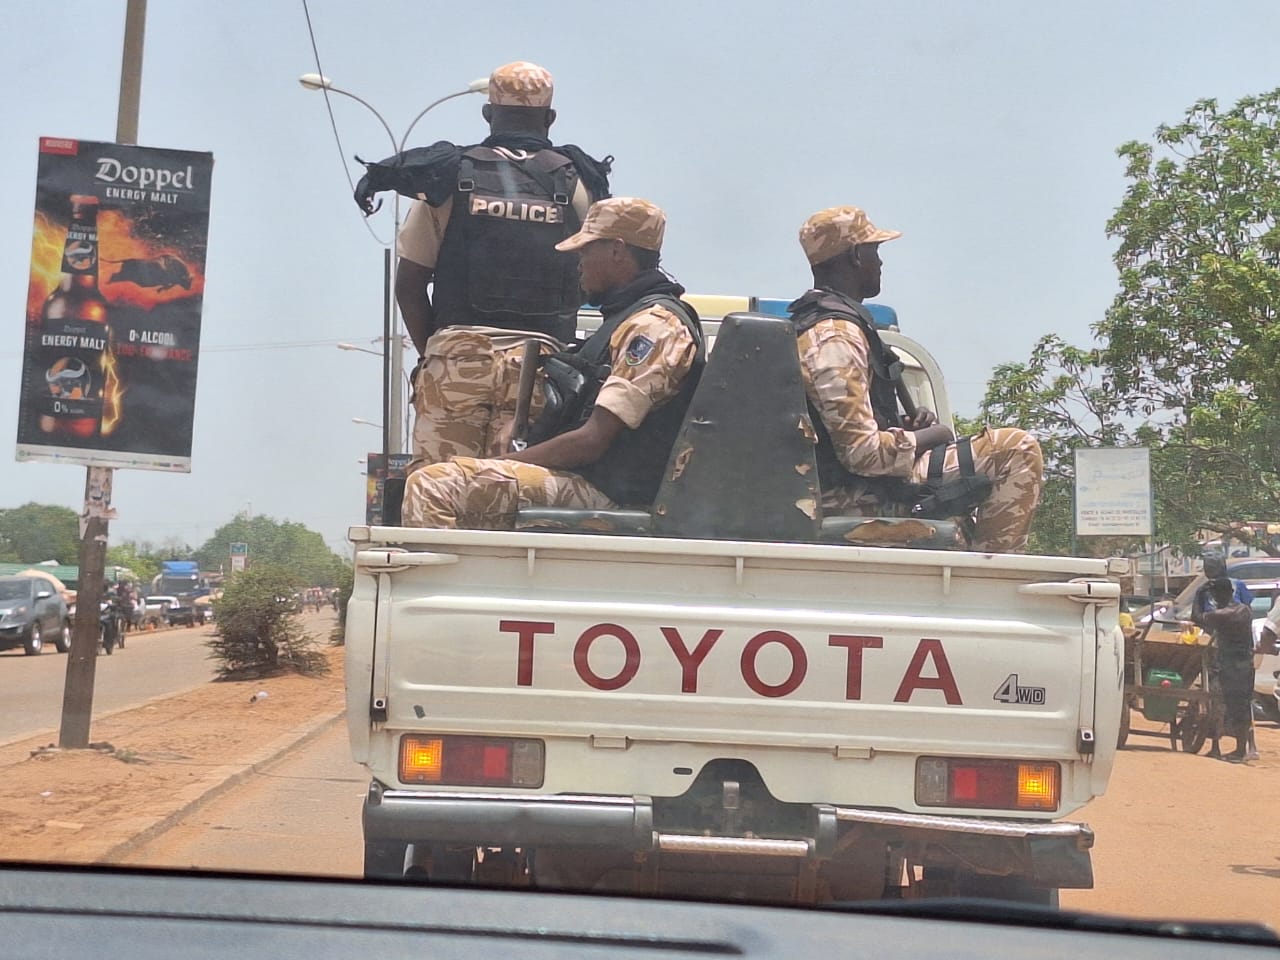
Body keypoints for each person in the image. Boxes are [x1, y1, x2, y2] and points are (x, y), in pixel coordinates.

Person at [362, 61, 612, 465]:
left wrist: (437, 356)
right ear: (550, 118)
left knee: (440, 489)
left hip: (457, 359)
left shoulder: (447, 179)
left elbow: (409, 284)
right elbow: (599, 278)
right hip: (542, 368)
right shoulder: (579, 185)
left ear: (487, 114)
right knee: (513, 497)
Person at [401, 197, 702, 529]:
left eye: (586, 250)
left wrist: (505, 462)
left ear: (617, 251)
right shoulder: (627, 320)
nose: (579, 262)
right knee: (467, 478)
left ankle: (437, 583)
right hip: (590, 481)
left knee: (434, 486)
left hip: (608, 491)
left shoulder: (654, 327)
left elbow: (592, 440)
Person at [786, 205, 1044, 553]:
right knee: (1014, 449)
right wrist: (930, 435)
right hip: (856, 496)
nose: (881, 264)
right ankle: (993, 579)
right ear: (855, 256)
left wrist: (906, 427)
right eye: (874, 252)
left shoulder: (833, 327)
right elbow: (861, 454)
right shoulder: (835, 338)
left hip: (866, 484)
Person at [1194, 577, 1256, 763]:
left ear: (1218, 595)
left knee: (1225, 705)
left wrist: (1199, 594)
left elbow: (1196, 617)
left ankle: (1236, 751)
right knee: (1242, 706)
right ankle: (1239, 749)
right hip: (1245, 663)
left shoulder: (1223, 614)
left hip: (1231, 664)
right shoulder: (1244, 610)